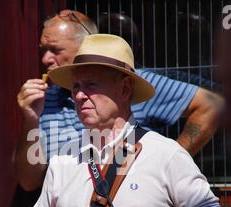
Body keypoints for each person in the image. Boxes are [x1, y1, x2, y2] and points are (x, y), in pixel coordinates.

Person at [25, 34, 228, 207]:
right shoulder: (64, 158)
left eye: (91, 85)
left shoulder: (165, 154)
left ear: (125, 88)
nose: (80, 96)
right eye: (75, 87)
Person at [14, 10, 224, 193]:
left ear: (83, 47)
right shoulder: (44, 100)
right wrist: (31, 121)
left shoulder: (127, 83)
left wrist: (170, 162)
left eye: (55, 50)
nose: (45, 59)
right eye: (43, 49)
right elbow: (29, 182)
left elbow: (212, 105)